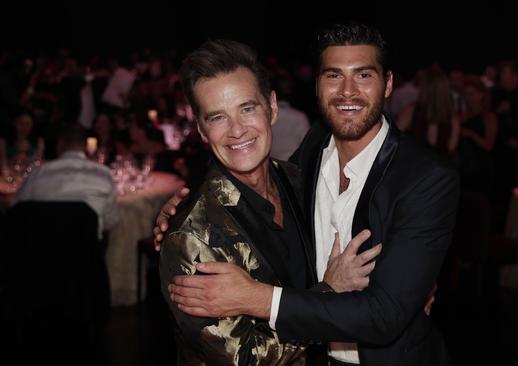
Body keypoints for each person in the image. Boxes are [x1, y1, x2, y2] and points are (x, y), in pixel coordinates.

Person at [156, 23, 458, 365]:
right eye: (333, 76)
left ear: (388, 83)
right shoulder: (311, 153)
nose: (347, 92)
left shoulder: (426, 177)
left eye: (363, 75)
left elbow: (385, 314)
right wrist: (181, 214)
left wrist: (258, 298)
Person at [13, 124, 117, 239]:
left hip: (41, 250)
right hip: (86, 252)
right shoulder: (104, 174)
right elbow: (109, 222)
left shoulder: (38, 174)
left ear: (60, 144)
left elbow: (17, 212)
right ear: (85, 146)